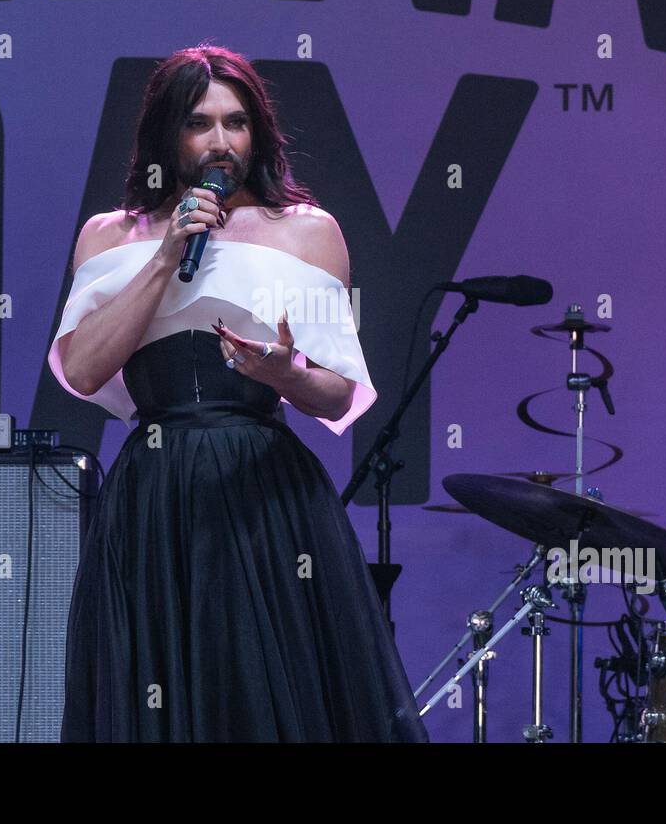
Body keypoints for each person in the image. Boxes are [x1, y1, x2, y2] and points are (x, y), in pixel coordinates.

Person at [48, 44, 428, 742]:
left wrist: (282, 372)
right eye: (200, 123)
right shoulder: (110, 236)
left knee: (262, 694)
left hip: (264, 498)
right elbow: (83, 370)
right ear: (168, 133)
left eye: (238, 121)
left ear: (257, 133)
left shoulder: (308, 232)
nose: (222, 141)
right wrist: (165, 258)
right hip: (154, 497)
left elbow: (339, 393)